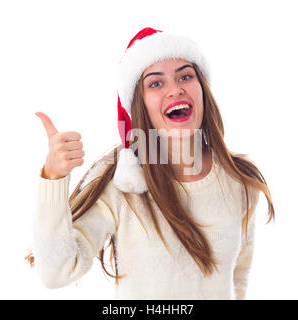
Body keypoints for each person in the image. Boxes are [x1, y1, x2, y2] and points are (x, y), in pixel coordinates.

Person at [26, 27, 275, 300]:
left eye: (186, 76)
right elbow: (56, 273)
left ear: (202, 88)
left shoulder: (239, 180)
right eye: (156, 83)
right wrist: (53, 177)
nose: (176, 89)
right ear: (140, 104)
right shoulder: (121, 181)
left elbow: (238, 277)